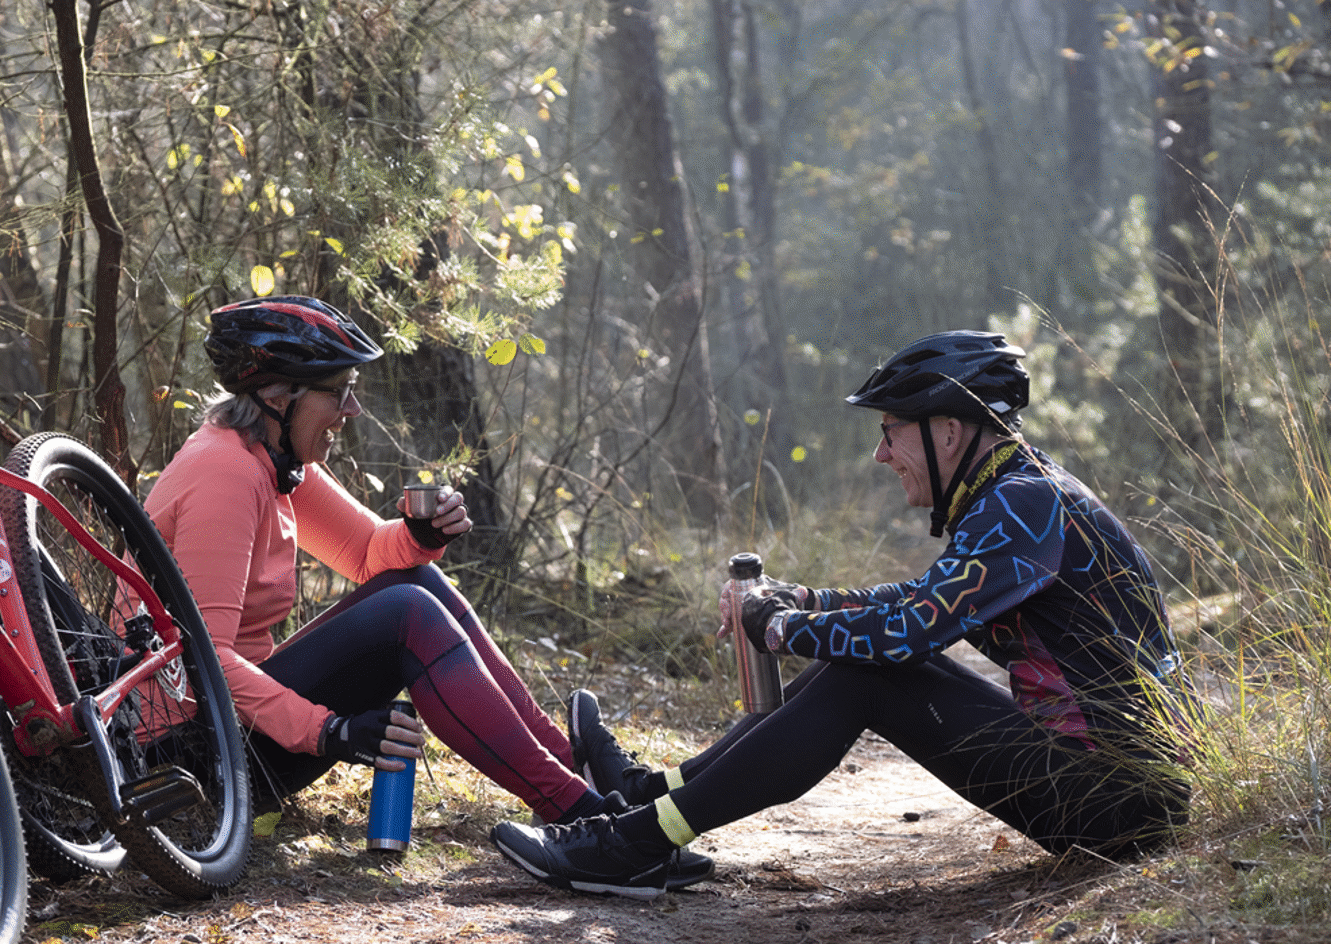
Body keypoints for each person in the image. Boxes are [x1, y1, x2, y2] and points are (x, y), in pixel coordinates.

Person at [490, 330, 1197, 899]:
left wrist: (780, 626)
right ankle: (646, 798)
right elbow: (921, 602)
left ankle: (634, 844)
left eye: (892, 431)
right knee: (871, 662)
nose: (880, 452)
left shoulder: (1024, 502)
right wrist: (805, 603)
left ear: (948, 431)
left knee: (871, 675)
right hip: (1117, 792)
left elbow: (910, 630)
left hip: (1116, 803)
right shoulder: (1021, 491)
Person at [144, 296, 713, 885]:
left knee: (417, 581)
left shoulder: (272, 458)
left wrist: (418, 536)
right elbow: (205, 662)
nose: (353, 408)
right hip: (189, 757)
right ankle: (590, 820)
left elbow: (369, 555)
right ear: (278, 395)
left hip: (235, 730)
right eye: (338, 392)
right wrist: (328, 731)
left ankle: (578, 774)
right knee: (407, 612)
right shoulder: (225, 475)